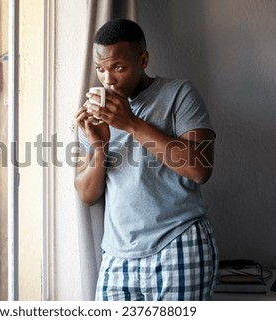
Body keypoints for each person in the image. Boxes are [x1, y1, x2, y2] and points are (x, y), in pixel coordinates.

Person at [74, 18, 218, 301]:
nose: (108, 80)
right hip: (117, 255)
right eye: (100, 69)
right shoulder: (97, 113)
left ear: (143, 59)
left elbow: (200, 169)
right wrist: (100, 147)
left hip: (179, 241)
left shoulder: (179, 94)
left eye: (118, 67)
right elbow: (87, 194)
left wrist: (130, 123)